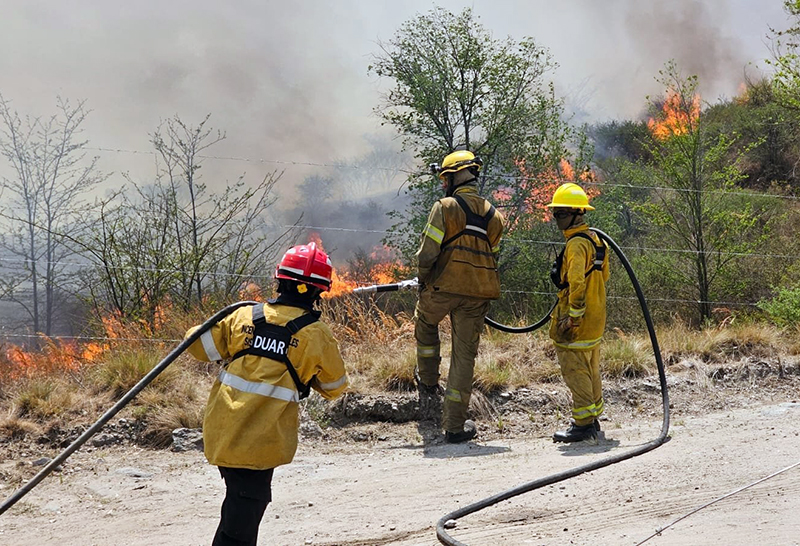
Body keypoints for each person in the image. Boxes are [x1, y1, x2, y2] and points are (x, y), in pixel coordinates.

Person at [185, 242, 348, 545]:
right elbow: (334, 388)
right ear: (318, 291)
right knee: (240, 526)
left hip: (223, 431)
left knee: (238, 509)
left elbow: (197, 346)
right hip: (259, 443)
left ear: (279, 280)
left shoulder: (244, 316)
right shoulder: (315, 334)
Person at [414, 150, 505, 443]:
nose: (443, 184)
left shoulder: (445, 207)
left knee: (425, 323)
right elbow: (489, 246)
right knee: (464, 357)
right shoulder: (494, 215)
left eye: (445, 178)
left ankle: (428, 382)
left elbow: (428, 253)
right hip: (478, 292)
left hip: (443, 287)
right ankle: (454, 427)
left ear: (453, 176)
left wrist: (423, 279)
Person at [546, 183, 610, 443]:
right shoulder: (597, 240)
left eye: (561, 214)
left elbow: (577, 284)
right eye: (556, 214)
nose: (557, 219)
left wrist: (573, 317)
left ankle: (583, 424)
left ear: (575, 213)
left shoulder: (575, 245)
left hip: (579, 319)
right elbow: (604, 277)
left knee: (574, 368)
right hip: (597, 316)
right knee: (591, 365)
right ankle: (593, 417)